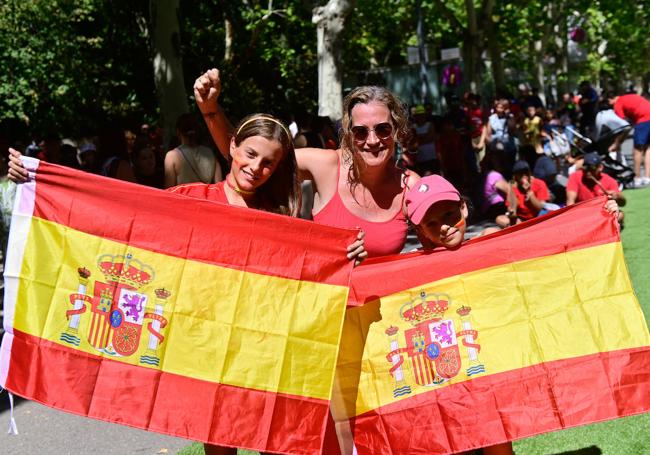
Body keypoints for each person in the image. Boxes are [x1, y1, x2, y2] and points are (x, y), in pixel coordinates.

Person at [194, 68, 419, 259]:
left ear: (397, 130)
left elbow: (446, 238)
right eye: (360, 131)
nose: (372, 141)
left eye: (383, 129)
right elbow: (250, 159)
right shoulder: (326, 165)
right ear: (349, 134)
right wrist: (210, 110)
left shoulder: (410, 186)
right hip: (323, 306)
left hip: (379, 308)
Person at [164, 113, 223, 188]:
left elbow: (169, 189)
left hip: (185, 199)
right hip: (206, 199)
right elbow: (219, 186)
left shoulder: (172, 156)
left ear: (178, 131)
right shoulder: (210, 153)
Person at [566, 152, 625, 225]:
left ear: (600, 167)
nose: (588, 172)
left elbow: (623, 203)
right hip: (582, 213)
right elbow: (570, 202)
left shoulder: (609, 181)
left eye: (592, 168)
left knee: (620, 215)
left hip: (602, 213)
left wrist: (616, 196)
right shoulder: (575, 177)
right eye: (586, 168)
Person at [607, 91, 650, 187]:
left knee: (637, 150)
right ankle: (647, 177)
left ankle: (637, 178)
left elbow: (622, 127)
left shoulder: (618, 104)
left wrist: (616, 143)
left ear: (610, 100)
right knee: (647, 148)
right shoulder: (628, 97)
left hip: (643, 120)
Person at [501, 160, 550, 226]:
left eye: (526, 172)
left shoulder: (539, 183)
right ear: (515, 176)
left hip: (538, 217)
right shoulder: (513, 188)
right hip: (522, 220)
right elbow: (512, 213)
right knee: (499, 219)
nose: (524, 176)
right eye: (521, 173)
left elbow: (541, 209)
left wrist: (529, 192)